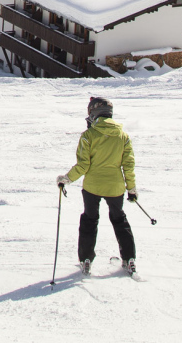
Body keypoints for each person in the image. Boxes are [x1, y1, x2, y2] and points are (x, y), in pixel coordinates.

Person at [57, 96, 137, 276]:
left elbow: (83, 165)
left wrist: (66, 179)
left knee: (89, 219)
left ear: (94, 114)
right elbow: (128, 166)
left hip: (92, 187)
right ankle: (129, 258)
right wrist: (131, 189)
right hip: (115, 187)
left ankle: (86, 259)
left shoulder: (88, 136)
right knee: (119, 220)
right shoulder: (123, 136)